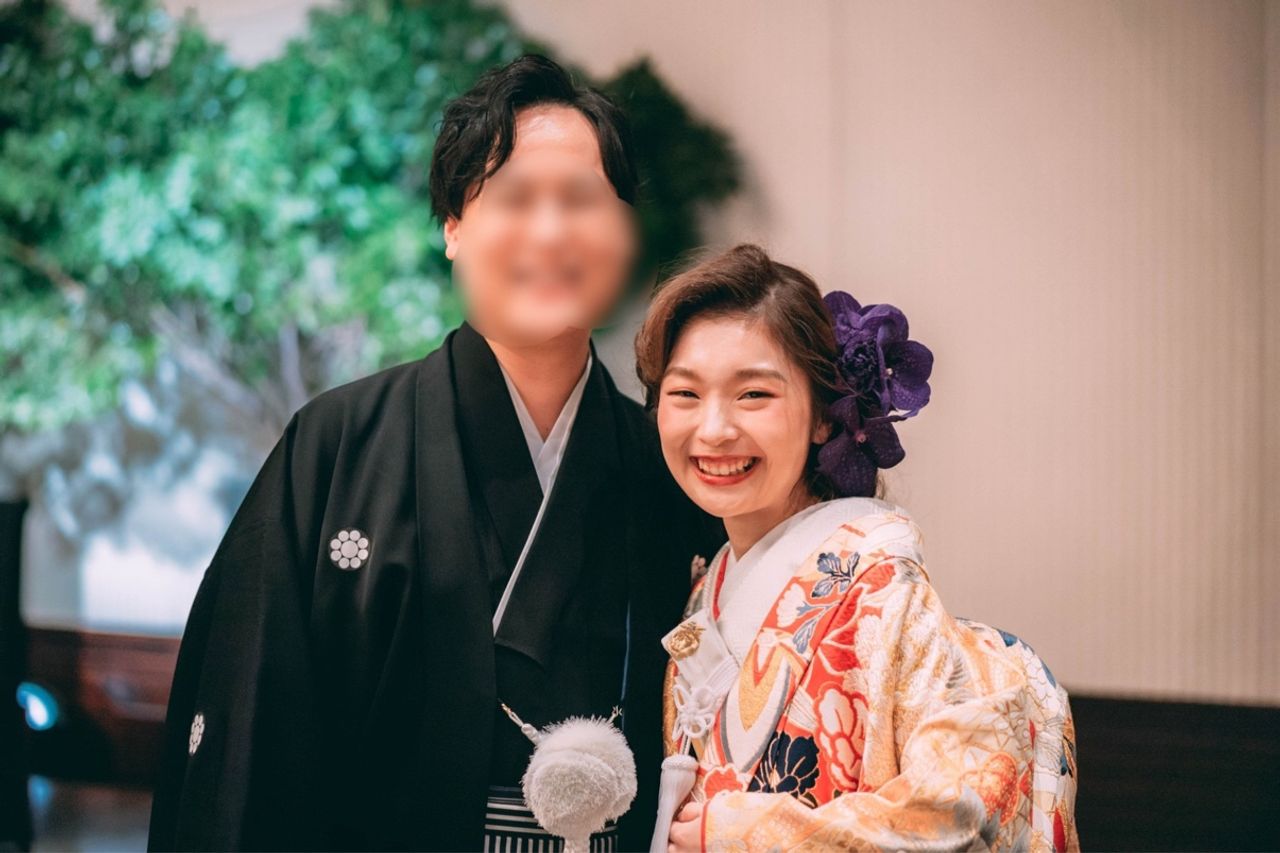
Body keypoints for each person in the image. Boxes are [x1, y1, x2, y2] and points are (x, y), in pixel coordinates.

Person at [148, 54, 721, 852]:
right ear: (454, 226)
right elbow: (249, 724)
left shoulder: (667, 464)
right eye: (515, 197)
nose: (550, 230)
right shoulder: (334, 447)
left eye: (581, 200)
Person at [637, 244, 1078, 851]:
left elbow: (959, 812)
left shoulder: (883, 589)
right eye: (685, 394)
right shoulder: (704, 591)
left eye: (753, 395)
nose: (712, 429)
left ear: (825, 416)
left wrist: (753, 836)